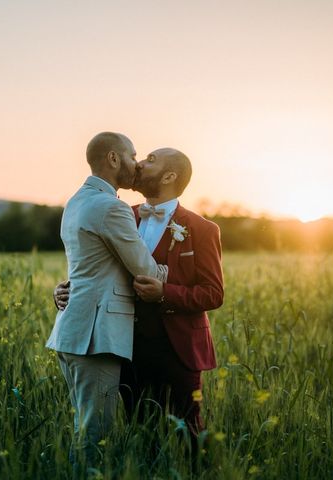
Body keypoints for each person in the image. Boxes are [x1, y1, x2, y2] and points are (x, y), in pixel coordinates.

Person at [54, 147, 224, 454]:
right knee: (140, 431)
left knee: (187, 433)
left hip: (178, 349)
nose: (140, 164)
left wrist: (165, 294)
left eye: (151, 160)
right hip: (124, 343)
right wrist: (68, 288)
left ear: (170, 176)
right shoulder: (119, 214)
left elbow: (213, 293)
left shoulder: (202, 229)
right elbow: (98, 268)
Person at [45, 132, 168, 468]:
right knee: (95, 436)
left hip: (73, 332)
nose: (136, 163)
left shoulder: (76, 201)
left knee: (84, 429)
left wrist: (64, 287)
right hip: (95, 338)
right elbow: (145, 270)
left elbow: (87, 266)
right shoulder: (110, 208)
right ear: (114, 159)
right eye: (132, 155)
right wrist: (170, 274)